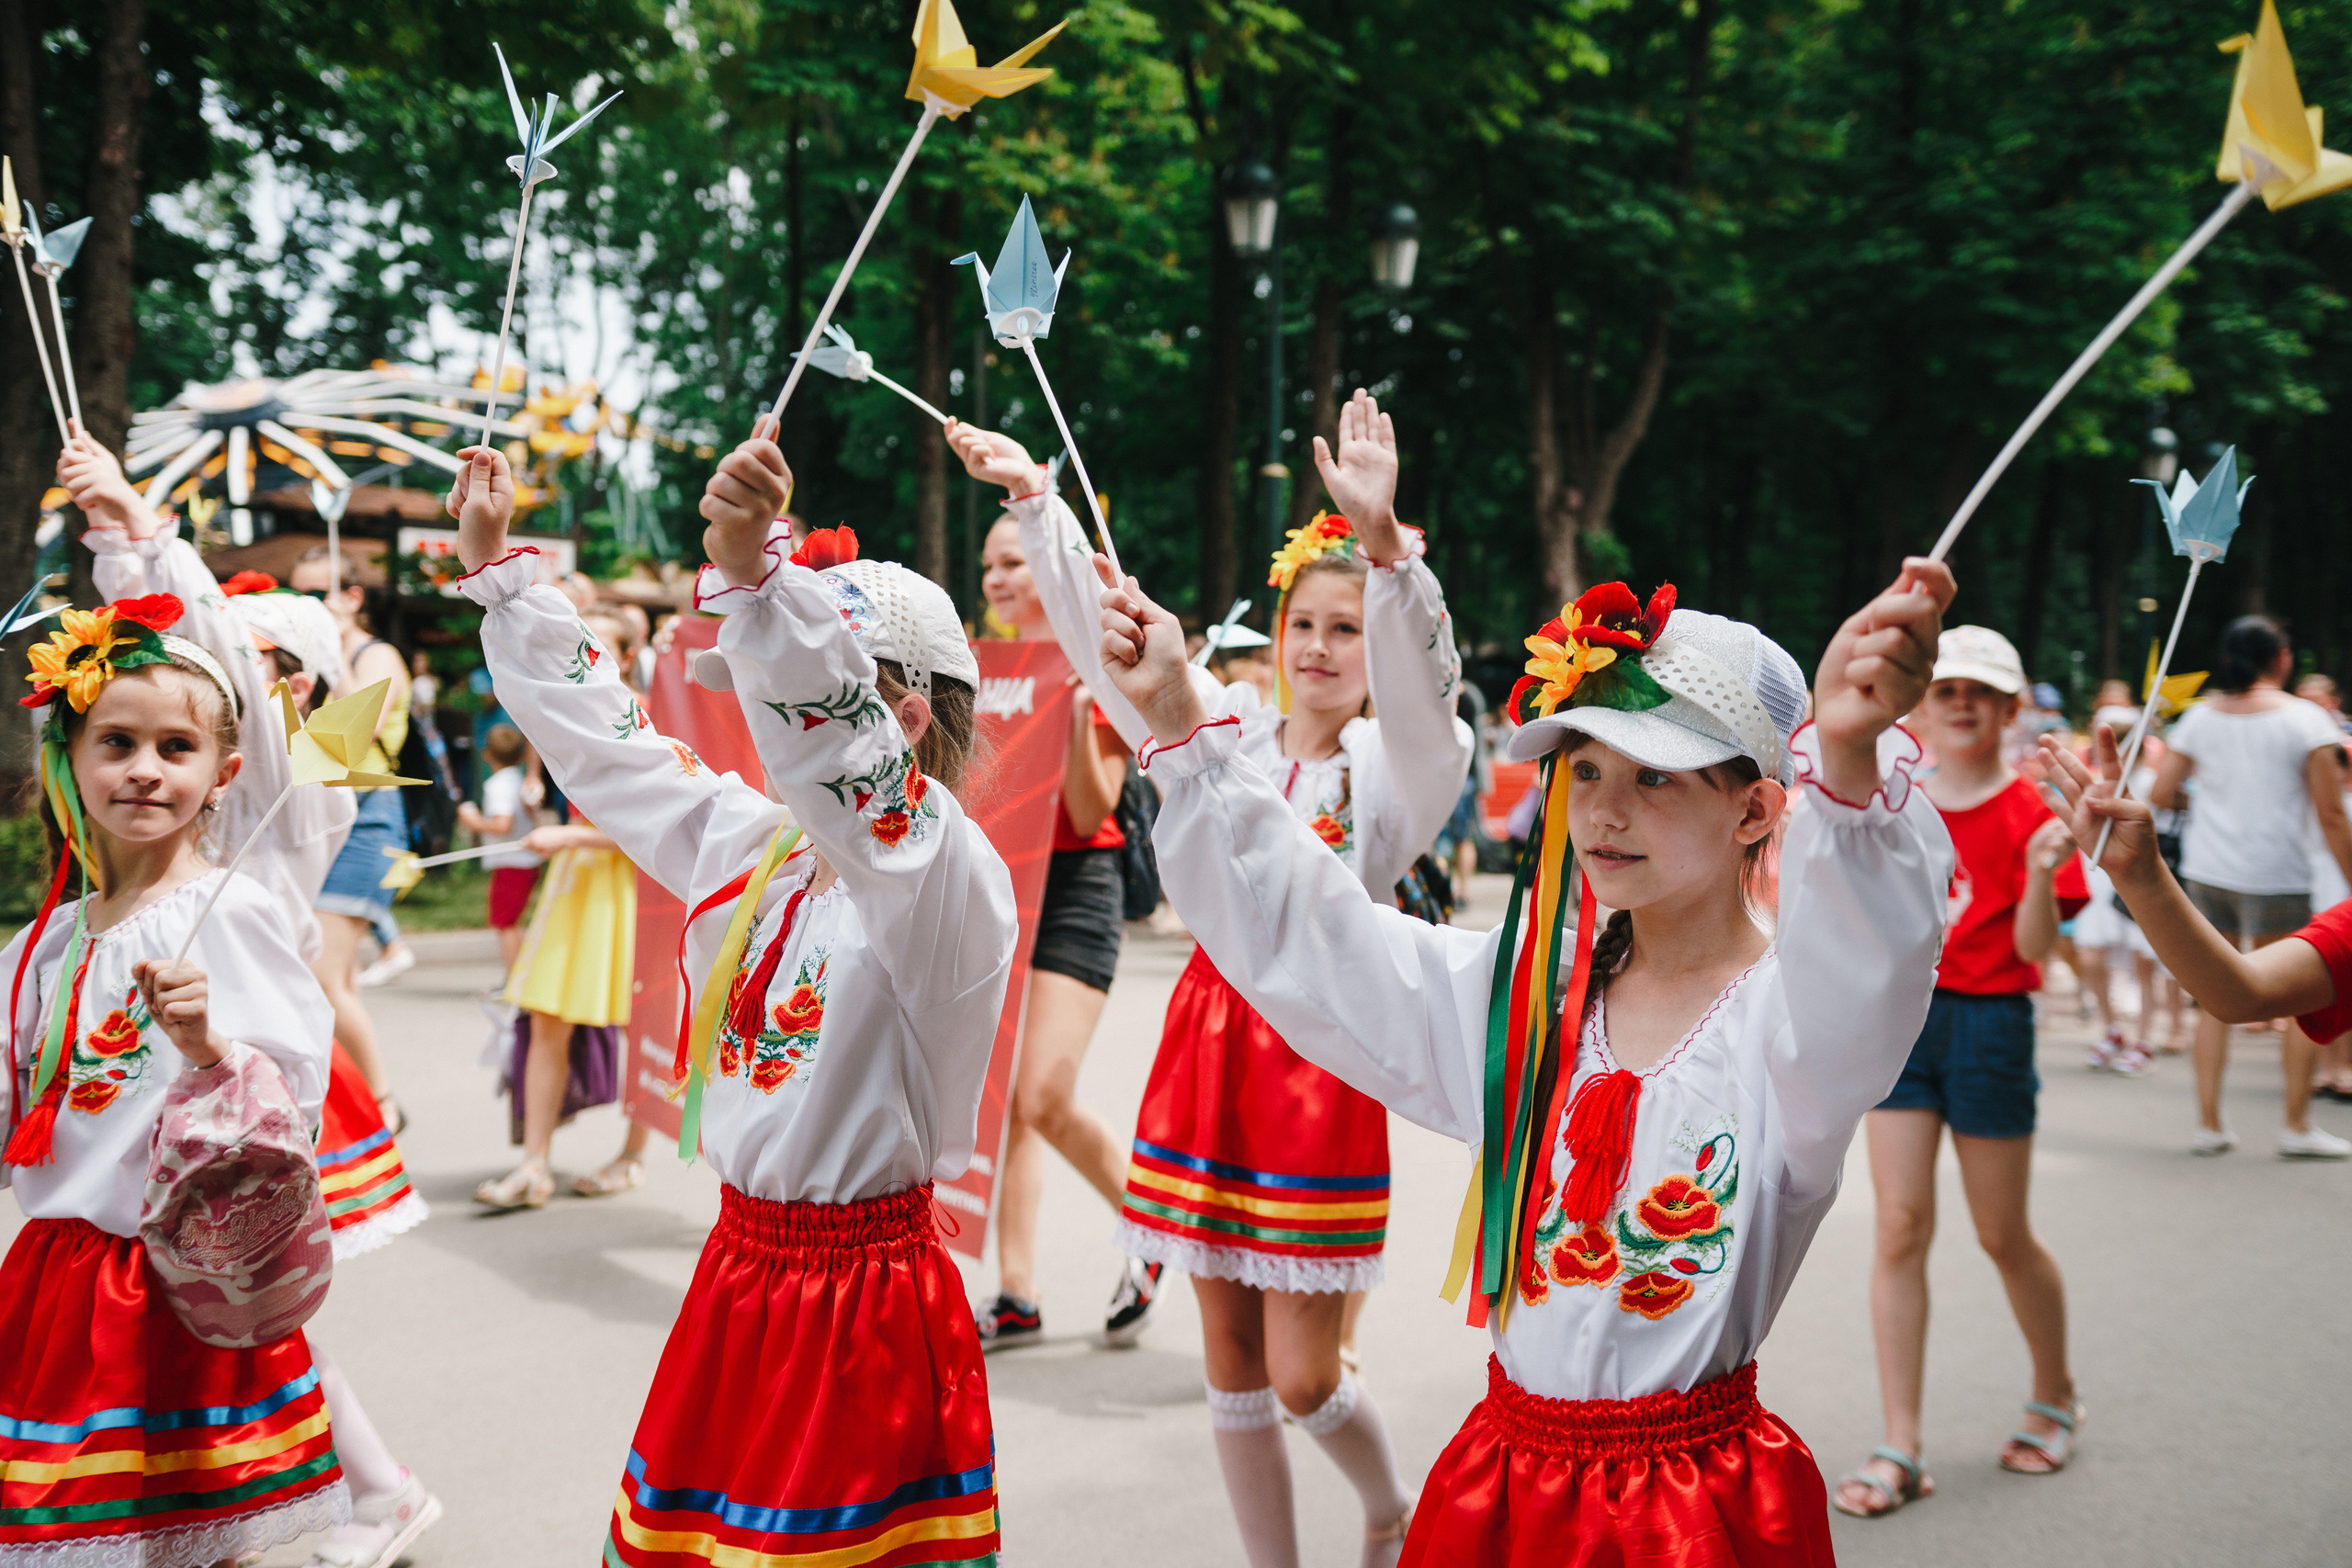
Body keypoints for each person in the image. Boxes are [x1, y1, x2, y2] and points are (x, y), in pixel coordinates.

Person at [1093, 519, 1954, 1561]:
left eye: (1654, 777)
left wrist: (1849, 758)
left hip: (1686, 1517)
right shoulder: (1524, 1007)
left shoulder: (1787, 1031)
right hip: (1503, 1490)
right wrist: (1180, 716)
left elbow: (1868, 968)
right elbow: (1323, 942)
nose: (1604, 811)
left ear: (1756, 811)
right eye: (1584, 770)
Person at [444, 426, 1017, 1565]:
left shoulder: (943, 874)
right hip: (741, 1274)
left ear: (900, 723)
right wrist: (504, 579)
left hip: (861, 1304)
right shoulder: (759, 847)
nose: (755, 731)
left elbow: (848, 764)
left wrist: (757, 576)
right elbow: (613, 753)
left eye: (769, 702)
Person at [961, 390, 1469, 1568]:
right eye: (1304, 625)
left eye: (1347, 630)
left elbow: (1430, 712)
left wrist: (1386, 556)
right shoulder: (1224, 730)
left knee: (1304, 1377)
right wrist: (1038, 506)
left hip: (1320, 1061)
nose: (1320, 648)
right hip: (1210, 1045)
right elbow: (1113, 659)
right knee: (1230, 1366)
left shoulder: (1386, 775)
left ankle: (1391, 1508)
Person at [60, 436, 444, 1568]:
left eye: (258, 661)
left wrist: (139, 536)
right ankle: (372, 1488)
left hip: (234, 1096)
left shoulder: (290, 791)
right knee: (228, 1334)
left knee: (242, 1322)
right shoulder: (153, 839)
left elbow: (210, 647)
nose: (229, 663)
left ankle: (367, 1492)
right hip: (149, 1112)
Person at [0, 588, 348, 1562]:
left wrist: (209, 1048)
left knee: (194, 1539)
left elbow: (297, 1102)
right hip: (54, 1280)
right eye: (117, 743)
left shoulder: (230, 912)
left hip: (171, 1277)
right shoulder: (43, 944)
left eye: (175, 747)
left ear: (222, 772)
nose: (145, 769)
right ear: (67, 757)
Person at [1833, 626, 2089, 1517]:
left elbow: (2034, 950)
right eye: (1946, 689)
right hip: (1901, 1025)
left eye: (1982, 692)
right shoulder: (1893, 800)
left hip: (1991, 1025)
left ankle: (2056, 1392)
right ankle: (1900, 1442)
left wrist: (2042, 872)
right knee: (1898, 1227)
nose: (1963, 704)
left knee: (2000, 1234)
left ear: (2012, 709)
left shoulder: (2033, 813)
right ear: (1921, 704)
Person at [967, 501, 1162, 1348]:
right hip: (1001, 886)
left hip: (1078, 887)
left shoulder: (1098, 666)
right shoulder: (980, 669)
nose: (997, 578)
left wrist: (1080, 715)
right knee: (1012, 1104)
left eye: (1013, 561)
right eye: (989, 565)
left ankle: (1149, 1227)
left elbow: (1092, 809)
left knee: (1042, 1093)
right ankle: (1016, 1292)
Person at [2044, 724, 2352, 1112]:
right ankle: (2266, 1125)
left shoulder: (2225, 724)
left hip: (2254, 876)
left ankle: (2285, 1122)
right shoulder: (2301, 724)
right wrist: (2139, 874)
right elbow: (2242, 993)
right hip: (2253, 879)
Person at [2147, 615, 2352, 1157]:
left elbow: (2162, 793)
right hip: (2279, 873)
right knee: (2301, 1001)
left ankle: (2209, 1123)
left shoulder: (2199, 718)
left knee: (2213, 999)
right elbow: (2331, 813)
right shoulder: (2306, 720)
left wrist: (2212, 806)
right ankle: (2295, 1125)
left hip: (2209, 871)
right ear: (2281, 658)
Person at [290, 545, 413, 1132]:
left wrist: (331, 648)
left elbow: (356, 731)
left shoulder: (375, 654)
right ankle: (350, 1107)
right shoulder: (308, 661)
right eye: (298, 595)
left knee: (321, 974)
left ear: (351, 597)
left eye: (318, 594)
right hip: (319, 817)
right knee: (336, 979)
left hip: (368, 818)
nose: (307, 604)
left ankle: (383, 1106)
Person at [473, 807, 634, 1210]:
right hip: (577, 880)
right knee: (546, 1019)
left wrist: (571, 836)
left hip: (635, 882)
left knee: (647, 1025)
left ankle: (632, 1156)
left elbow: (671, 827)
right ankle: (534, 1164)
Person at [459, 723, 544, 976]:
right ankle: (518, 978)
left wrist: (474, 822)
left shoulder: (498, 785)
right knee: (511, 922)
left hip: (512, 862)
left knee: (505, 923)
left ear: (487, 754)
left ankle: (514, 981)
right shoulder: (520, 780)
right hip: (523, 861)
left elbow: (502, 824)